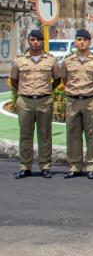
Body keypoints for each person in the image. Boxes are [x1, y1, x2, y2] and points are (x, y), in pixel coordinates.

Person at [10, 30, 60, 179]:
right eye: (32, 40)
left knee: (45, 134)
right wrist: (24, 91)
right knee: (25, 134)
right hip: (25, 101)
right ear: (28, 41)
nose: (35, 43)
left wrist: (48, 90)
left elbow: (57, 79)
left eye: (38, 40)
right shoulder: (20, 60)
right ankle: (25, 166)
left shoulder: (50, 60)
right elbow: (14, 80)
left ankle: (45, 166)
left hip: (44, 100)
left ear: (42, 42)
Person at [60, 29, 93, 179]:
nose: (82, 42)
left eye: (85, 40)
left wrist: (92, 90)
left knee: (92, 134)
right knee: (73, 134)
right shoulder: (68, 61)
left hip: (90, 100)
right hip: (73, 101)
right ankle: (75, 166)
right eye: (79, 39)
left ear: (89, 42)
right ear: (75, 42)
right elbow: (64, 79)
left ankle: (92, 166)